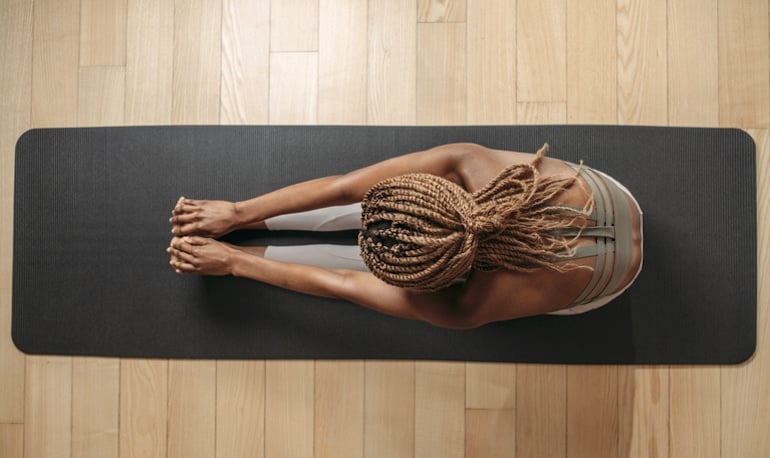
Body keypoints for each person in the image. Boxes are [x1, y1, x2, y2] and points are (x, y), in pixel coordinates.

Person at [167, 143, 643, 329]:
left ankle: (418, 253)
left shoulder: (474, 303)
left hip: (609, 279)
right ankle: (410, 233)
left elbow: (347, 283)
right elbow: (345, 189)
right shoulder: (469, 164)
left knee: (363, 261)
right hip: (610, 197)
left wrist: (236, 262)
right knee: (367, 214)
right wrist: (238, 212)